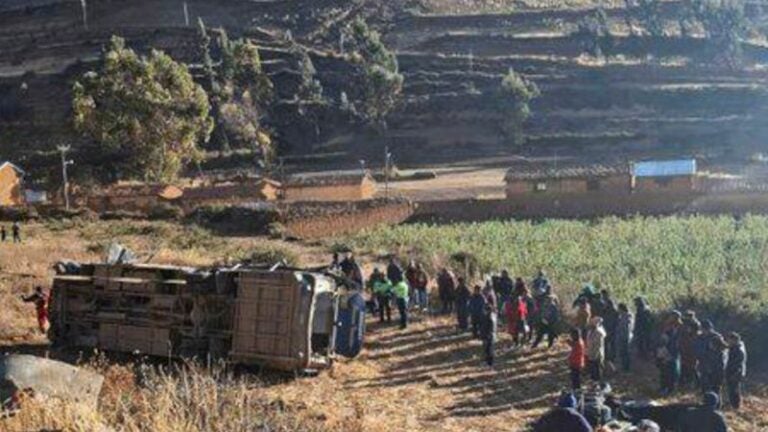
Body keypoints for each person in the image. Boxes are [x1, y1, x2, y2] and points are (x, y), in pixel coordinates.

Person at [657, 311, 682, 396]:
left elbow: (677, 343)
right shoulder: (666, 326)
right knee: (664, 371)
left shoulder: (679, 328)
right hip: (664, 350)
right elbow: (662, 339)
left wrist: (671, 354)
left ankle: (670, 389)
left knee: (672, 372)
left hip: (672, 352)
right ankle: (663, 388)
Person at [679, 311, 702, 389]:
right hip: (687, 348)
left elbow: (691, 334)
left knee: (692, 367)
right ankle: (684, 382)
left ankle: (697, 383)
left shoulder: (694, 324)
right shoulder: (689, 324)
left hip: (691, 349)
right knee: (685, 366)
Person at [725, 332, 747, 410]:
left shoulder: (739, 350)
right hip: (730, 372)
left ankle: (735, 406)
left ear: (734, 340)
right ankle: (732, 404)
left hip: (735, 373)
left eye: (730, 340)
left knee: (734, 390)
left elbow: (738, 364)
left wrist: (735, 374)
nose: (728, 341)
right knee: (731, 389)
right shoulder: (732, 348)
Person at [586, 316, 607, 384]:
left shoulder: (599, 333)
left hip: (597, 354)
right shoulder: (590, 332)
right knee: (592, 370)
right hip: (591, 353)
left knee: (598, 370)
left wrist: (595, 354)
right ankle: (594, 382)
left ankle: (598, 383)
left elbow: (598, 345)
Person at [615, 303, 634, 372]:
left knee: (625, 353)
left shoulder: (627, 316)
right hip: (623, 337)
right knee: (622, 353)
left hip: (625, 337)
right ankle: (624, 367)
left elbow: (627, 328)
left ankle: (626, 368)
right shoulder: (622, 316)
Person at [480, 299, 497, 367]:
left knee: (489, 350)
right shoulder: (491, 315)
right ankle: (487, 362)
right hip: (488, 336)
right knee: (487, 350)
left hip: (489, 336)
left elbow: (490, 328)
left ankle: (490, 363)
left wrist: (487, 336)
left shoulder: (490, 317)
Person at [602, 297, 619, 365]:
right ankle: (606, 357)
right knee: (606, 344)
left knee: (612, 344)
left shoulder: (614, 312)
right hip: (606, 329)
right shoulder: (605, 310)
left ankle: (612, 357)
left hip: (612, 330)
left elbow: (616, 321)